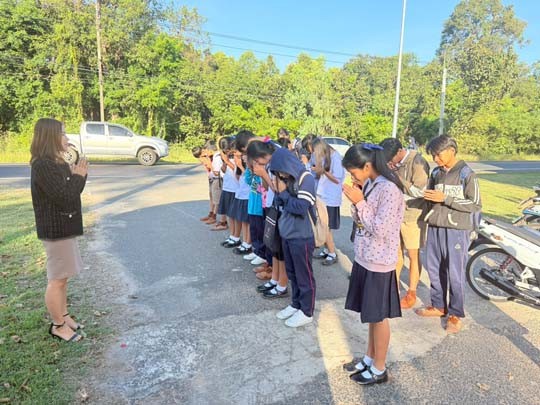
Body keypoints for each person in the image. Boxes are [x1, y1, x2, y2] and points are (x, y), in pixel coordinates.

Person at [341, 143, 404, 385]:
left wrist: (360, 202)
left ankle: (379, 368)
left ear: (367, 166)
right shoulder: (370, 184)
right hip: (365, 257)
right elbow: (360, 220)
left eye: (353, 171)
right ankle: (369, 357)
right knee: (370, 315)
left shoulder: (389, 189)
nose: (352, 176)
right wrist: (357, 200)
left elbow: (380, 229)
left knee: (378, 317)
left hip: (379, 262)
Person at [30, 118, 88, 342]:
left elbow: (72, 192)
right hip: (55, 230)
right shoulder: (43, 165)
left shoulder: (58, 162)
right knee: (56, 279)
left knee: (63, 277)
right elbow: (64, 197)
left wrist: (78, 175)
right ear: (50, 137)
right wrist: (78, 176)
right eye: (62, 133)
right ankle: (58, 326)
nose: (67, 138)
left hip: (65, 226)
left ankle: (64, 316)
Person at [416, 135, 481, 334]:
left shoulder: (467, 174)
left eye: (438, 154)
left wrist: (446, 198)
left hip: (456, 231)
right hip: (435, 227)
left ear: (451, 150)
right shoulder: (436, 173)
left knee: (455, 272)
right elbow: (431, 198)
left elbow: (475, 205)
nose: (435, 159)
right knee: (434, 268)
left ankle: (455, 313)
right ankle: (438, 305)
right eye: (433, 155)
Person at [269, 148, 317, 327]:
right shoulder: (286, 179)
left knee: (304, 275)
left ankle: (307, 311)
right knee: (292, 273)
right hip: (287, 233)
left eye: (280, 171)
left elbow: (301, 207)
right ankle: (296, 304)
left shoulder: (306, 178)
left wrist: (283, 193)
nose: (280, 175)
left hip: (302, 235)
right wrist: (278, 192)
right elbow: (280, 203)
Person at [380, 138, 430, 308]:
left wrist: (397, 176)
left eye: (391, 158)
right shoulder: (394, 163)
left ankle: (411, 292)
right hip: (396, 215)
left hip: (413, 216)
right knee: (396, 254)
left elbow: (420, 192)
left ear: (400, 151)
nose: (390, 162)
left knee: (413, 255)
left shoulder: (417, 162)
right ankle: (391, 288)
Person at [247, 140, 289, 297]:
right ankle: (275, 279)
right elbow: (266, 187)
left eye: (257, 160)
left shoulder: (279, 165)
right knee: (274, 247)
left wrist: (264, 174)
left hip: (281, 209)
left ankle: (282, 285)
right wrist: (262, 174)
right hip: (271, 206)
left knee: (281, 251)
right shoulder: (268, 165)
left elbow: (279, 189)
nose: (257, 163)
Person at [311, 138, 345, 266]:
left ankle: (332, 253)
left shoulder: (336, 158)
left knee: (327, 227)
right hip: (322, 195)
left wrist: (323, 171)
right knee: (323, 225)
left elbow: (337, 179)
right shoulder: (327, 156)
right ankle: (327, 250)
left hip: (331, 198)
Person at [228, 130, 254, 254]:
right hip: (240, 195)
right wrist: (239, 167)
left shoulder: (250, 164)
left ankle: (248, 243)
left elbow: (249, 180)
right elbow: (238, 180)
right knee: (243, 220)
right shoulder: (241, 166)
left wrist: (242, 167)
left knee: (247, 221)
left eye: (239, 155)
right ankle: (244, 241)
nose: (238, 158)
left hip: (247, 196)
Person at [192, 143, 216, 224]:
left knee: (215, 197)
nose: (201, 159)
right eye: (199, 157)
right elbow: (207, 168)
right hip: (211, 177)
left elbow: (212, 167)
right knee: (211, 195)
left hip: (216, 177)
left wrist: (208, 160)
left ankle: (214, 216)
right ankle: (211, 213)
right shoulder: (203, 157)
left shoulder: (211, 156)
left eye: (201, 156)